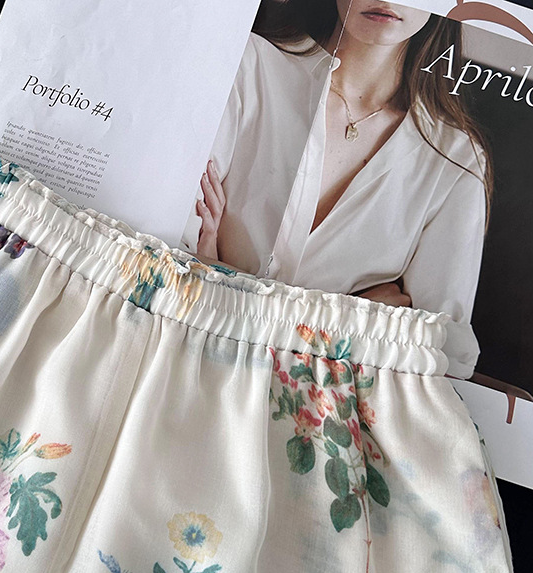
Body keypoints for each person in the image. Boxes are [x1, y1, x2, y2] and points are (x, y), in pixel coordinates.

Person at [181, 0, 492, 379]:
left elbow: (448, 354)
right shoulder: (247, 65)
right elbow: (160, 261)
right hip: (184, 362)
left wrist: (221, 275)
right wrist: (353, 324)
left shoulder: (455, 159)